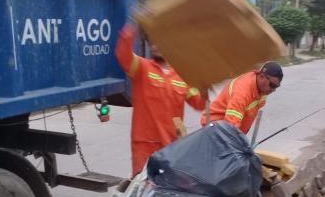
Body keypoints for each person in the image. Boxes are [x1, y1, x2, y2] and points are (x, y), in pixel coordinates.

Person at [115, 22, 206, 176]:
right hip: (145, 144)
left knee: (167, 189)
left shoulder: (183, 76)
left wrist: (205, 88)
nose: (155, 46)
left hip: (170, 145)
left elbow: (198, 103)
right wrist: (132, 28)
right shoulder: (142, 68)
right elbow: (123, 55)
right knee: (142, 188)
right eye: (153, 42)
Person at [202, 61, 283, 134]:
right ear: (262, 76)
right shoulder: (241, 93)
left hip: (230, 127)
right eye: (272, 85)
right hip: (215, 125)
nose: (273, 90)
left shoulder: (263, 90)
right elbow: (230, 128)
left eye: (276, 86)